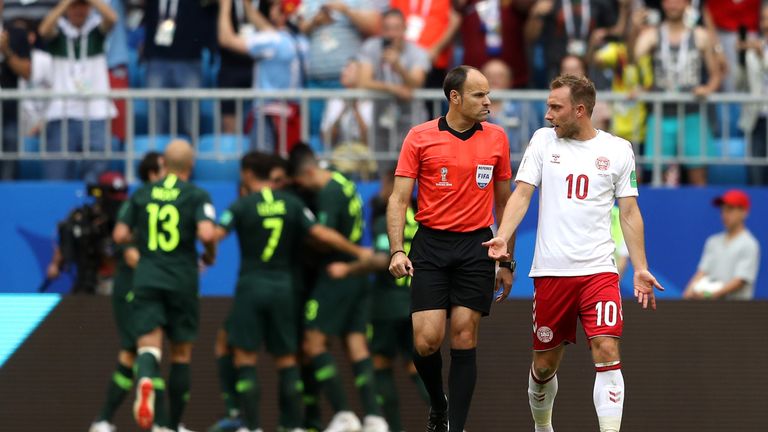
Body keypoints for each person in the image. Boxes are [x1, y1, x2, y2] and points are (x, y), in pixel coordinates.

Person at [483, 74, 664, 432]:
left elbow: (629, 212)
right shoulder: (542, 141)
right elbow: (522, 195)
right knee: (544, 365)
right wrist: (502, 237)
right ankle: (543, 427)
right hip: (551, 272)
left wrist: (640, 266)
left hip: (599, 271)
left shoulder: (618, 150)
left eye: (555, 107)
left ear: (580, 110)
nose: (548, 114)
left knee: (607, 349)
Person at [388, 65, 514, 432]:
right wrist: (397, 250)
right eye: (479, 95)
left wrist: (506, 260)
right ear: (454, 98)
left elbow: (504, 203)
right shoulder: (419, 137)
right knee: (426, 341)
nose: (488, 101)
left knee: (463, 335)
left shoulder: (497, 138)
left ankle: (455, 428)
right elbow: (398, 199)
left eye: (488, 94)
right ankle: (438, 405)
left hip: (476, 245)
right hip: (430, 244)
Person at [214, 151, 372, 432]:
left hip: (261, 285)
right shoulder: (294, 202)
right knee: (288, 358)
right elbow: (320, 233)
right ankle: (291, 424)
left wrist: (206, 253)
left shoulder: (246, 204)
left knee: (255, 355)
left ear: (248, 175)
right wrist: (358, 251)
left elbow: (213, 234)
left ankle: (257, 424)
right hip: (286, 286)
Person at [113, 139, 218, 432]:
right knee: (181, 354)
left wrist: (141, 238)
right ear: (191, 165)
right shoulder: (196, 195)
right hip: (182, 279)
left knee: (148, 347)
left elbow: (119, 234)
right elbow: (207, 233)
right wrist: (209, 255)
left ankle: (146, 379)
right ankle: (171, 425)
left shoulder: (143, 193)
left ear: (164, 163)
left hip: (147, 277)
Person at [291, 148, 389, 432]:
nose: (302, 187)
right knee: (356, 343)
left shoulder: (329, 193)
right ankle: (374, 417)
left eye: (301, 181)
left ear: (309, 172)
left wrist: (308, 239)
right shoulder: (344, 181)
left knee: (313, 342)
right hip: (357, 276)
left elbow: (325, 236)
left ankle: (344, 413)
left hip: (337, 272)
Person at [327, 170, 429, 432]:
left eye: (384, 184)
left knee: (381, 363)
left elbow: (383, 259)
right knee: (415, 365)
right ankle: (448, 423)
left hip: (387, 304)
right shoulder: (422, 218)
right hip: (417, 301)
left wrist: (347, 269)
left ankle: (391, 427)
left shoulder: (388, 220)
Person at [89, 152, 165, 432]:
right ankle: (162, 423)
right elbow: (127, 249)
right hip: (134, 286)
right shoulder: (138, 202)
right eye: (164, 169)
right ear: (152, 174)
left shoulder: (165, 203)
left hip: (150, 285)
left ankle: (105, 420)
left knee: (137, 353)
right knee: (145, 350)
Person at [634, 0, 721, 185]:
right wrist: (635, 30)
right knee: (658, 177)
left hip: (692, 113)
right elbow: (634, 59)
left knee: (698, 176)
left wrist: (707, 88)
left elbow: (716, 75)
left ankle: (699, 206)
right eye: (668, 0)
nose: (672, 4)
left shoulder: (700, 36)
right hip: (660, 113)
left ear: (688, 4)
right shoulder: (652, 35)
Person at [38, 0, 118, 182]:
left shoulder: (96, 30)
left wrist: (91, 1)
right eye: (74, 6)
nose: (78, 10)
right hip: (61, 112)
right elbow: (43, 30)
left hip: (95, 112)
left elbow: (112, 18)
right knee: (57, 174)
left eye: (82, 5)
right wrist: (66, 3)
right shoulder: (59, 32)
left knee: (95, 176)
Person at [217, 0, 302, 153]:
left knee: (262, 161)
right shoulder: (299, 41)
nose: (270, 9)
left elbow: (226, 39)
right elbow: (265, 26)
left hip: (267, 113)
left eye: (275, 6)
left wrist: (225, 6)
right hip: (291, 113)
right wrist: (247, 5)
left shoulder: (271, 41)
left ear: (282, 15)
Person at [358, 8, 431, 156]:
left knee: (411, 168)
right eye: (387, 29)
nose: (391, 34)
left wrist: (398, 66)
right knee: (383, 167)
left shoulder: (418, 52)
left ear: (405, 29)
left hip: (412, 123)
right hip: (382, 123)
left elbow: (416, 83)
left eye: (396, 29)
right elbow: (363, 81)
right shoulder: (371, 47)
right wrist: (393, 89)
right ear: (381, 30)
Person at [46, 170, 129, 294]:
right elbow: (64, 244)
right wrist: (55, 264)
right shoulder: (85, 218)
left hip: (118, 283)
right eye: (112, 193)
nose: (117, 202)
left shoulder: (127, 220)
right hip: (87, 281)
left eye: (122, 193)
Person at [141, 0, 216, 137]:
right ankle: (156, 150)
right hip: (157, 59)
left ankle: (191, 149)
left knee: (190, 120)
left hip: (189, 59)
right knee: (156, 120)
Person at [684, 189, 760, 301]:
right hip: (710, 307)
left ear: (744, 212)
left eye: (730, 209)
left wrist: (709, 295)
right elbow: (702, 272)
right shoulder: (713, 241)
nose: (725, 214)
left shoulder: (749, 244)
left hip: (738, 308)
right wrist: (688, 292)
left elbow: (740, 281)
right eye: (723, 210)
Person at [0, 4, 32, 180]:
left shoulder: (17, 33)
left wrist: (6, 51)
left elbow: (26, 72)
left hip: (8, 116)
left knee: (8, 176)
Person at [740, 3, 768, 185]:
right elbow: (741, 85)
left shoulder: (757, 51)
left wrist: (762, 57)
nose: (766, 24)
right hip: (756, 118)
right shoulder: (753, 49)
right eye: (764, 19)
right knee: (756, 177)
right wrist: (739, 62)